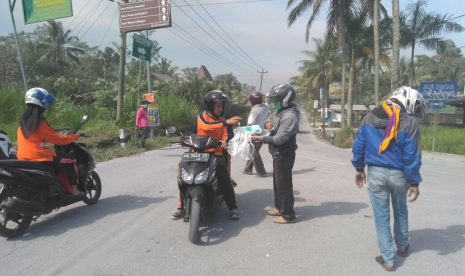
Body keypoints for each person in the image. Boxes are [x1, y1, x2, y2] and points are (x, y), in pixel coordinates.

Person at [351, 86, 426, 271]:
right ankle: (401, 246)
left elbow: (359, 144)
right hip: (400, 175)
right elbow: (412, 156)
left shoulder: (369, 117)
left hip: (375, 174)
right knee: (401, 210)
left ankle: (388, 259)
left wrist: (359, 168)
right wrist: (414, 182)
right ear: (408, 102)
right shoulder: (409, 123)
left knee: (381, 217)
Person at [172, 90, 241, 220]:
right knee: (184, 178)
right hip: (197, 152)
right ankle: (181, 208)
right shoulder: (202, 117)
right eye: (218, 106)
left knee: (225, 180)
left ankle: (233, 208)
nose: (220, 109)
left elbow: (226, 134)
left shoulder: (223, 118)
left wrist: (224, 140)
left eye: (222, 106)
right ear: (210, 105)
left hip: (215, 153)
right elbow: (207, 126)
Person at [16, 87, 81, 195]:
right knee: (71, 160)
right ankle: (75, 191)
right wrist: (74, 136)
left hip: (23, 157)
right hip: (38, 156)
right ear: (41, 102)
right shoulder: (38, 122)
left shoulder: (23, 122)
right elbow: (57, 139)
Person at [251, 84, 300, 224]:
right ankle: (280, 207)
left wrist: (262, 138)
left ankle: (288, 215)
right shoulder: (281, 111)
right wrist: (268, 124)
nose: (274, 104)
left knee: (284, 185)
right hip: (278, 153)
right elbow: (271, 122)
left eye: (276, 100)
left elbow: (280, 139)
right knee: (278, 184)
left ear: (285, 99)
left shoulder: (290, 116)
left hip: (284, 153)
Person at [242, 91, 269, 177]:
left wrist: (247, 132)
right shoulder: (265, 107)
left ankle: (261, 171)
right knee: (254, 151)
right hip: (263, 132)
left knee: (254, 153)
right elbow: (267, 102)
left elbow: (249, 124)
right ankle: (248, 168)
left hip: (255, 133)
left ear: (251, 101)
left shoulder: (254, 110)